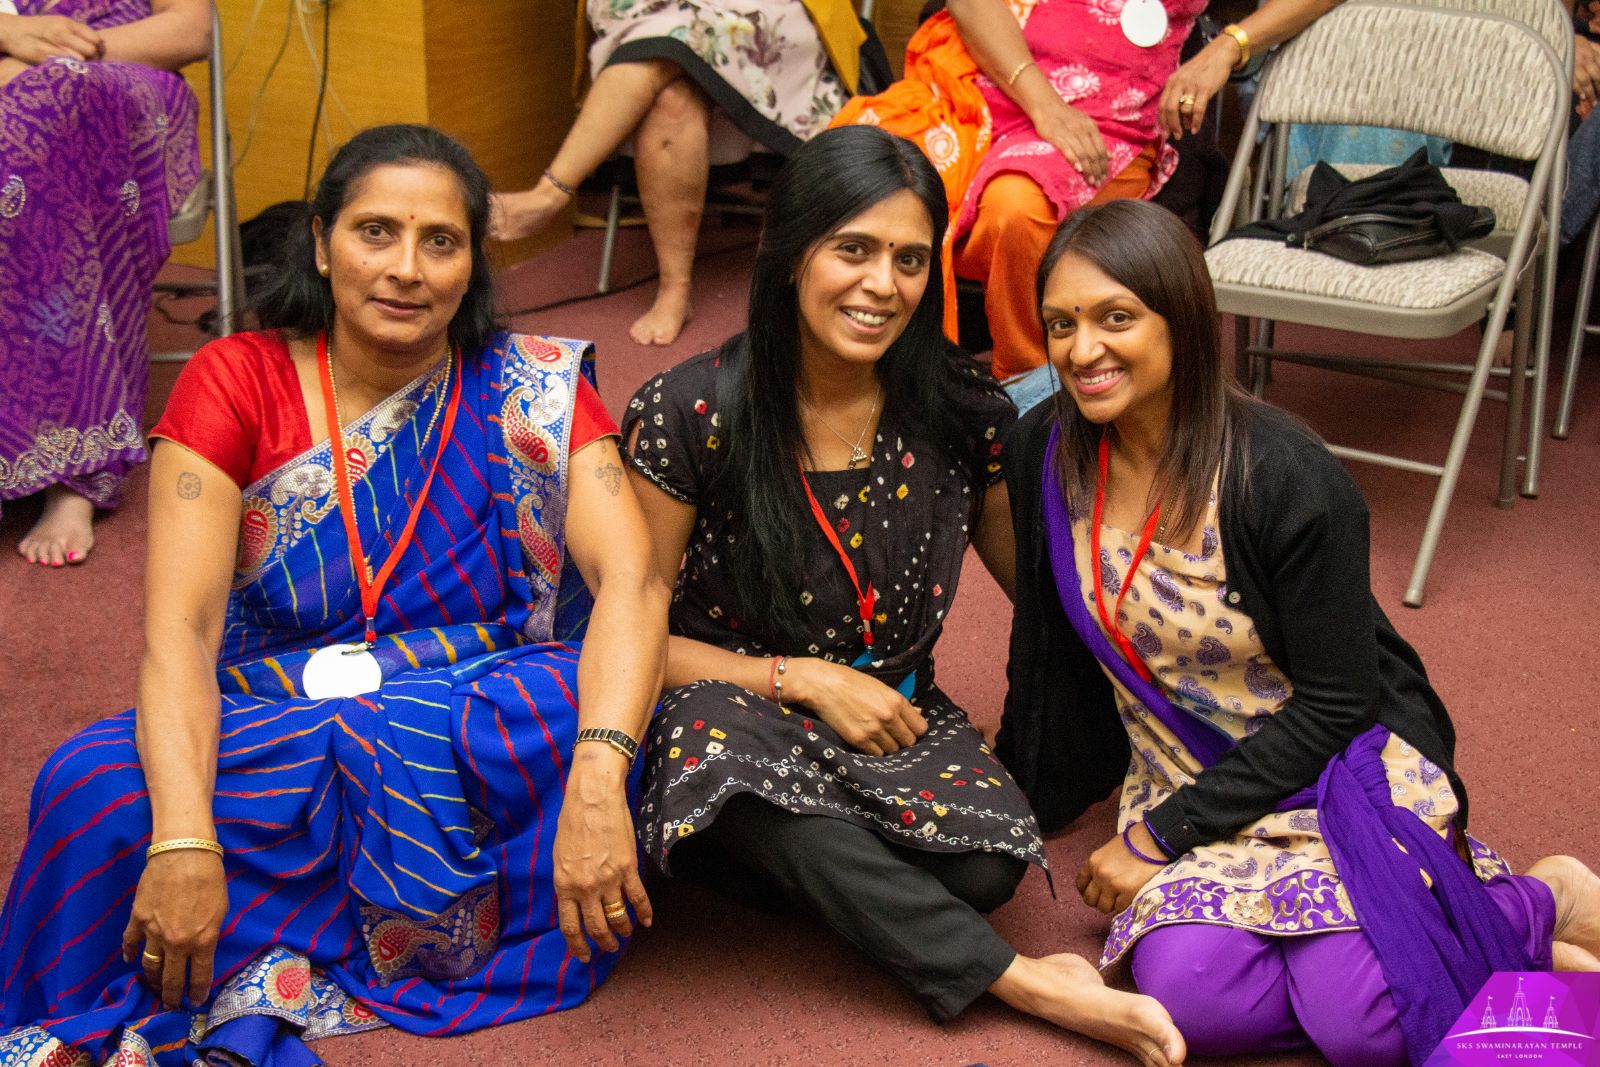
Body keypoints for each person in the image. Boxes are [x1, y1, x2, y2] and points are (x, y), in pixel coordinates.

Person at [0, 124, 670, 1066]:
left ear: (475, 260)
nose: (406, 268)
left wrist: (599, 780)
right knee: (91, 792)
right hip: (272, 718)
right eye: (375, 232)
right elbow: (180, 634)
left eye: (441, 240)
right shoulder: (233, 380)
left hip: (469, 706)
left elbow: (633, 582)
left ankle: (272, 939)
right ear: (321, 241)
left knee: (566, 703)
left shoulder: (534, 388)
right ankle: (258, 930)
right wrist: (186, 837)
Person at [623, 125, 1186, 1067]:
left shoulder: (961, 409)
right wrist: (798, 678)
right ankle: (1015, 977)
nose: (882, 285)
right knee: (720, 761)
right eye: (853, 249)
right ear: (791, 249)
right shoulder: (693, 409)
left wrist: (1199, 715)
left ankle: (796, 861)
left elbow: (1043, 594)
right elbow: (623, 629)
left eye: (911, 259)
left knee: (987, 861)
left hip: (890, 709)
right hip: (724, 702)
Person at [1000, 199, 1600, 1066]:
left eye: (1116, 317)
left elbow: (1340, 701)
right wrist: (1021, 775)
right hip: (1183, 761)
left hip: (1334, 764)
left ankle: (1539, 901)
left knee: (1366, 1022)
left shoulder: (1285, 475)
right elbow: (1044, 640)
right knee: (1194, 998)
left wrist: (1157, 839)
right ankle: (1474, 937)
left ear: (1184, 321)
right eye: (1061, 323)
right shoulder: (1045, 452)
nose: (1082, 349)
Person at [830, 0, 1338, 402]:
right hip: (995, 78)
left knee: (1016, 208)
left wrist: (1230, 45)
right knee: (856, 173)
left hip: (1115, 114)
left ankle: (1031, 398)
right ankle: (862, 385)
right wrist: (1046, 106)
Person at [491, 0, 869, 348]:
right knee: (670, 97)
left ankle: (549, 195)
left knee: (671, 38)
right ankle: (675, 286)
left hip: (761, 13)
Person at [0, 0, 208, 567]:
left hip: (120, 80)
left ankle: (76, 469)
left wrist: (53, 54)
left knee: (46, 103)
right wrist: (12, 32)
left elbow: (194, 28)